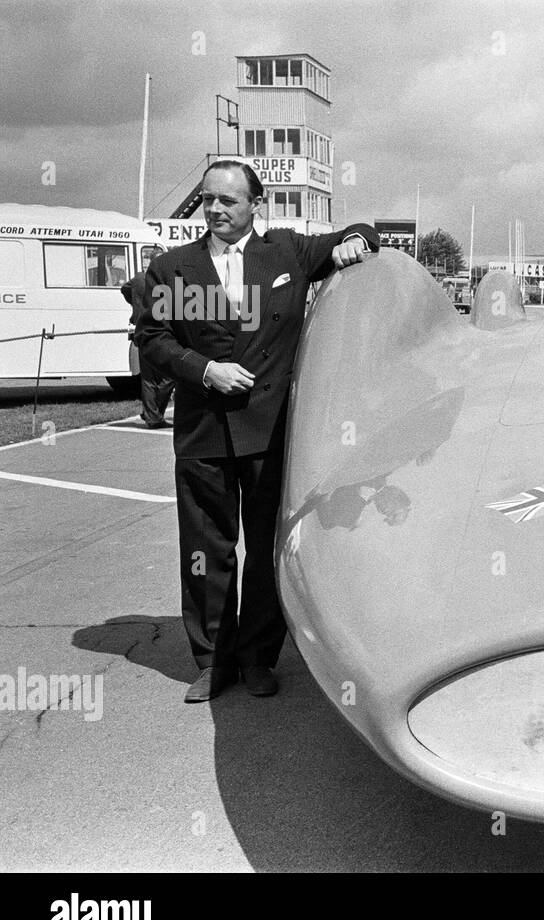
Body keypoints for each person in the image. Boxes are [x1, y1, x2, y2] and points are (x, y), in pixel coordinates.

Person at [136, 159, 379, 703]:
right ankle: (212, 662)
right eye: (209, 199)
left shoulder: (287, 252)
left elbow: (364, 231)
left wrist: (354, 243)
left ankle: (258, 658)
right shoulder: (174, 269)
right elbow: (152, 338)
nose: (216, 209)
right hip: (203, 435)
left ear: (255, 204)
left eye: (229, 200)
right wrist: (204, 369)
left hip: (270, 435)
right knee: (204, 551)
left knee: (267, 551)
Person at [120, 248, 174, 428]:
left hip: (141, 333)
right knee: (169, 377)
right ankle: (153, 415)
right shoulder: (166, 281)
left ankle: (151, 414)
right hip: (161, 332)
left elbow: (124, 289)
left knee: (149, 379)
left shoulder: (138, 279)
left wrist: (136, 307)